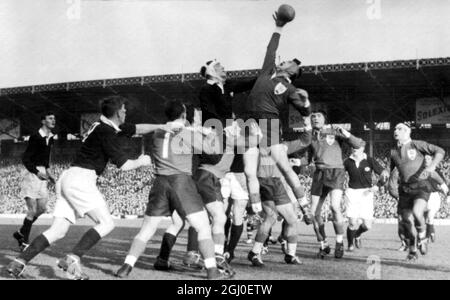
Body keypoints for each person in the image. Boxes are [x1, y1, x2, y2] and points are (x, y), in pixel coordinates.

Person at [7, 96, 177, 279]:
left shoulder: (103, 125)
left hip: (68, 177)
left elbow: (136, 128)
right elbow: (125, 165)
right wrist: (143, 161)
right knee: (107, 223)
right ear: (118, 112)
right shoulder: (106, 132)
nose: (126, 112)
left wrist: (162, 126)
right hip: (82, 179)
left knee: (58, 230)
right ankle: (72, 258)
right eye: (124, 109)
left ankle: (18, 262)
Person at [114, 100, 248, 280]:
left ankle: (126, 266)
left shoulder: (158, 132)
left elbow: (139, 129)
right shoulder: (186, 133)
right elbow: (212, 153)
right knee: (203, 228)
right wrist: (211, 135)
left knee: (146, 230)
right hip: (181, 182)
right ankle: (212, 271)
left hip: (160, 182)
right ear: (184, 115)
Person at [241, 11, 312, 223]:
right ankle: (254, 211)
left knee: (284, 166)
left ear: (293, 71)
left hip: (269, 122)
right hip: (250, 121)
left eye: (290, 62)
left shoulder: (291, 89)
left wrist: (306, 103)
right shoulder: (267, 71)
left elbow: (305, 112)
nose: (285, 61)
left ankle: (305, 207)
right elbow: (271, 49)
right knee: (248, 169)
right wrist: (279, 28)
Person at [247, 131, 312, 267]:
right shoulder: (256, 142)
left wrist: (307, 124)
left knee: (291, 219)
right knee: (272, 217)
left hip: (276, 183)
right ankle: (256, 252)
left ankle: (290, 255)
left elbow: (304, 141)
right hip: (263, 181)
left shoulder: (283, 146)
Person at [308, 111, 364, 259]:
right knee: (314, 213)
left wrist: (346, 134)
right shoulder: (309, 135)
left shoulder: (334, 132)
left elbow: (358, 144)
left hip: (336, 172)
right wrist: (298, 162)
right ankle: (323, 244)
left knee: (334, 207)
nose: (315, 118)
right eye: (312, 116)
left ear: (325, 119)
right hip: (319, 173)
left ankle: (339, 242)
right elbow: (306, 158)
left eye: (318, 116)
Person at [390, 123, 445, 261]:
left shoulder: (416, 145)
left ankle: (422, 235)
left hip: (421, 186)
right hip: (404, 190)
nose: (396, 130)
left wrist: (432, 166)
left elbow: (440, 151)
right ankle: (413, 249)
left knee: (417, 212)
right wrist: (385, 175)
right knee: (406, 222)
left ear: (408, 132)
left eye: (400, 128)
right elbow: (392, 170)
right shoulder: (393, 151)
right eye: (395, 128)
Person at [13, 111, 57, 251]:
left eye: (54, 118)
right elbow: (26, 159)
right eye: (50, 118)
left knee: (42, 208)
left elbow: (46, 158)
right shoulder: (35, 137)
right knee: (32, 210)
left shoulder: (50, 138)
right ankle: (24, 241)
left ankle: (21, 232)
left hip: (42, 173)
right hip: (32, 174)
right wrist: (37, 172)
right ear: (43, 121)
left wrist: (48, 172)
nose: (53, 120)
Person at [344, 141, 388, 251]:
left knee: (367, 225)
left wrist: (378, 185)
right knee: (352, 222)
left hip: (366, 193)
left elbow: (385, 174)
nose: (354, 149)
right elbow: (338, 175)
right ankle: (350, 245)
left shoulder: (369, 160)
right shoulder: (347, 161)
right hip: (352, 192)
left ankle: (357, 235)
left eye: (357, 147)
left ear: (363, 148)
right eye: (353, 147)